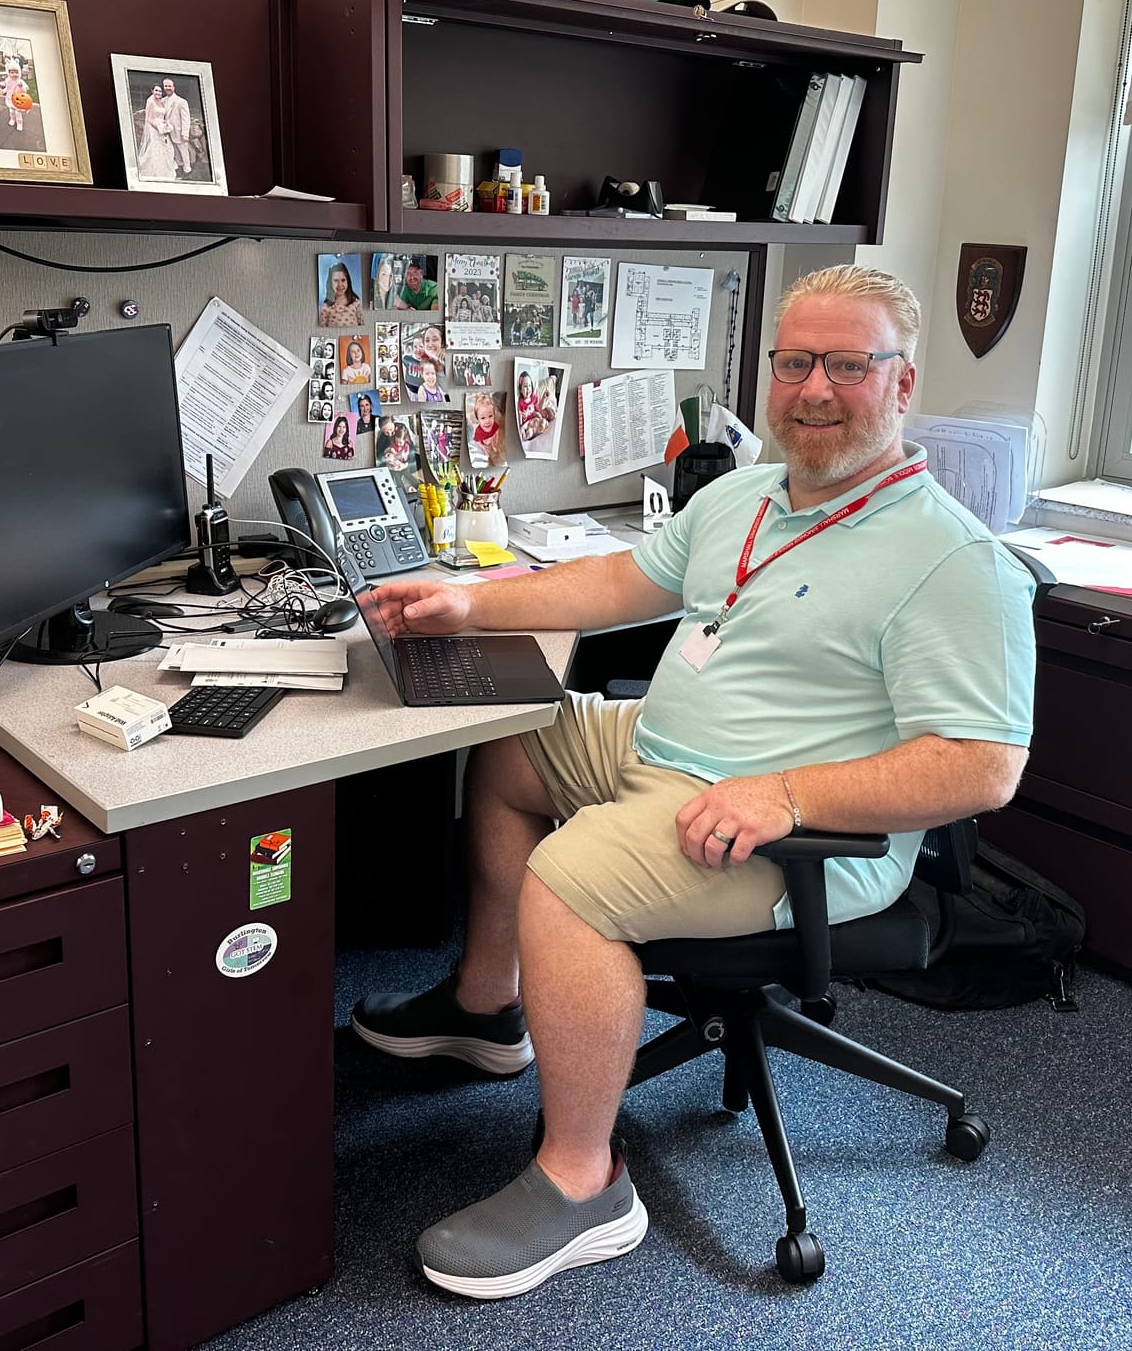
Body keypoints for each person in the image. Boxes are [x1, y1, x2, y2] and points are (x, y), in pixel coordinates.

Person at [351, 264, 1036, 1299]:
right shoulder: (748, 495)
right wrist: (468, 603)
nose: (813, 388)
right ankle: (489, 1009)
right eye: (796, 361)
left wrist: (788, 796)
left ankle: (584, 1183)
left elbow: (982, 767)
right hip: (667, 751)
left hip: (796, 828)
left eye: (848, 365)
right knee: (509, 751)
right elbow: (620, 582)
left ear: (901, 386)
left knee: (571, 880)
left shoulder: (950, 560)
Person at [320, 260, 365, 327]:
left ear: (348, 281)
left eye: (343, 280)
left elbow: (362, 327)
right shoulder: (326, 307)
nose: (340, 285)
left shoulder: (355, 303)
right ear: (330, 283)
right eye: (336, 281)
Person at [468, 390, 504, 465]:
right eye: (483, 418)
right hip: (485, 442)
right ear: (478, 419)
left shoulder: (495, 425)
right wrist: (484, 448)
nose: (487, 421)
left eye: (490, 416)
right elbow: (477, 441)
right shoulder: (478, 431)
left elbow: (497, 431)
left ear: (494, 415)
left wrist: (495, 439)